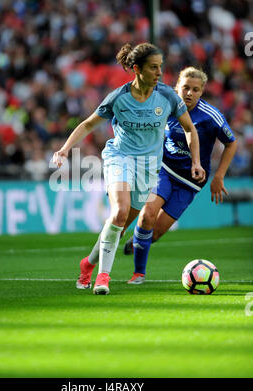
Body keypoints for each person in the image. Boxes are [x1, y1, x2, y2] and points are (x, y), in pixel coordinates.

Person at [53, 44, 205, 295]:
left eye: (160, 67)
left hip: (149, 167)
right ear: (137, 69)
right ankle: (103, 277)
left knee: (120, 226)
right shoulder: (118, 97)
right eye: (153, 67)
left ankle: (88, 264)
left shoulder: (168, 97)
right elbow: (89, 123)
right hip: (119, 157)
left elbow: (190, 129)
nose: (159, 72)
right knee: (120, 211)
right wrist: (65, 148)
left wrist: (196, 161)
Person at [122, 66, 237, 284]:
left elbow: (231, 144)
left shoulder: (211, 116)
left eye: (195, 89)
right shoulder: (164, 107)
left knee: (155, 233)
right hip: (164, 169)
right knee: (147, 214)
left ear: (202, 91)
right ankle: (138, 273)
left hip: (190, 182)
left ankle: (137, 241)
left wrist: (219, 176)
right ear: (177, 87)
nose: (189, 93)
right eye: (185, 88)